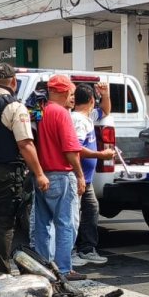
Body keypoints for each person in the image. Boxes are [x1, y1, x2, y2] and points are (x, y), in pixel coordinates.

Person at [0, 63, 49, 274]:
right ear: (13, 82)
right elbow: (25, 144)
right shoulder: (14, 107)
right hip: (6, 172)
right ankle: (1, 272)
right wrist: (40, 173)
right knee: (4, 223)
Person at [33, 74, 86, 281]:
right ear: (63, 92)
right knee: (66, 224)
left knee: (42, 225)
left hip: (41, 175)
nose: (72, 97)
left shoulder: (39, 111)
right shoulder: (61, 114)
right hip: (61, 175)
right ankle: (64, 269)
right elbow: (71, 150)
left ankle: (42, 268)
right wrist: (80, 175)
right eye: (71, 93)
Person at [71, 82, 113, 265]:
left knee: (91, 210)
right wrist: (100, 154)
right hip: (76, 177)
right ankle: (71, 252)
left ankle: (87, 249)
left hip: (85, 180)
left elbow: (105, 111)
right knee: (72, 216)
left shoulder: (87, 117)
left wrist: (106, 95)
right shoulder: (79, 120)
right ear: (90, 100)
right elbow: (75, 149)